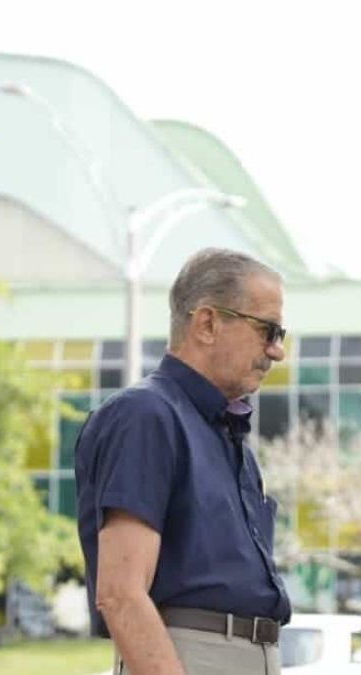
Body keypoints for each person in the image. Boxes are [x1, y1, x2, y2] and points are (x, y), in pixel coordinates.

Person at [74, 248, 291, 675]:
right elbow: (120, 594)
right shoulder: (145, 415)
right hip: (191, 656)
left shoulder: (226, 437)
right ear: (207, 324)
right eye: (268, 330)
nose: (277, 350)